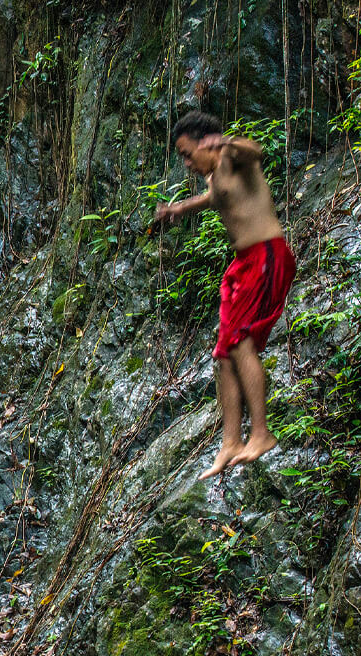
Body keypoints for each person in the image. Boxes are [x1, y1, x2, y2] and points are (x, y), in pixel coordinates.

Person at [150, 110, 296, 480]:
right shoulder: (215, 176)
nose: (186, 163)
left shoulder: (232, 157)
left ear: (206, 142)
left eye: (187, 153)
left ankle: (260, 433)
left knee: (241, 343)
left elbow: (256, 151)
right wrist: (180, 207)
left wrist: (227, 141)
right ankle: (230, 440)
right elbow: (214, 199)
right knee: (224, 352)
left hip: (266, 254)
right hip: (242, 264)